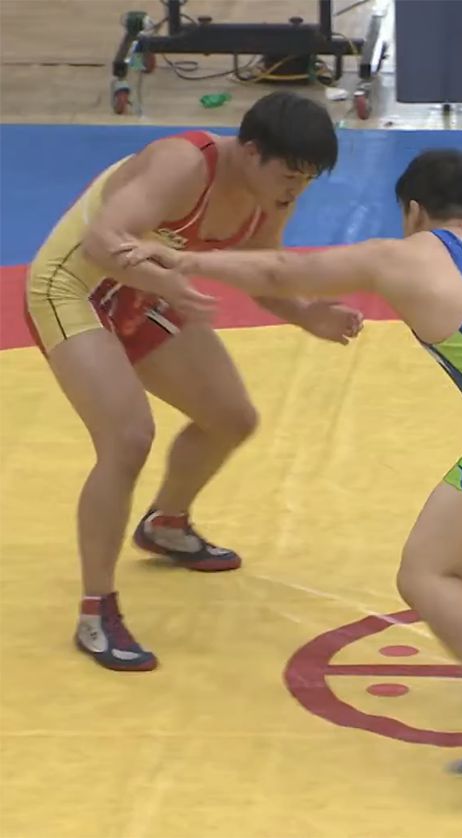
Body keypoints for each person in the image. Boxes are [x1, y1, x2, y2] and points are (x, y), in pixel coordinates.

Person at [116, 148, 462, 773]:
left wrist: (185, 259)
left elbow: (284, 270)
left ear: (413, 210)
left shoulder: (404, 255)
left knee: (427, 573)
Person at [24, 91, 363, 673]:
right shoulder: (183, 164)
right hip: (72, 288)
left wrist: (306, 314)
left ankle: (166, 524)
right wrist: (164, 283)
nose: (295, 190)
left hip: (139, 291)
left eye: (307, 179)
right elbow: (102, 239)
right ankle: (95, 611)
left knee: (231, 418)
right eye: (289, 175)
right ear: (251, 151)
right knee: (127, 438)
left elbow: (262, 270)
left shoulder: (267, 196)